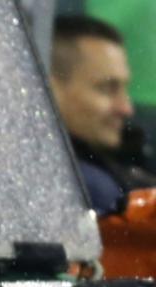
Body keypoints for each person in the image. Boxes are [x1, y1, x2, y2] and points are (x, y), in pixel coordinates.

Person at [50, 14, 156, 212]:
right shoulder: (92, 190)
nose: (126, 108)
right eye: (107, 88)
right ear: (49, 89)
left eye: (124, 88)